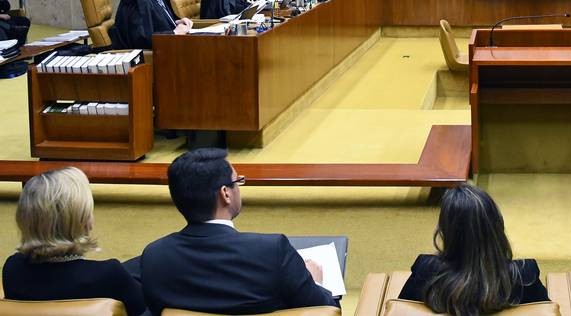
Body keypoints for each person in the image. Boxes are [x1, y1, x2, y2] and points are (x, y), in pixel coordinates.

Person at [139, 148, 336, 315]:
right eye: (238, 181)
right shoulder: (272, 251)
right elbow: (325, 309)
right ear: (225, 193)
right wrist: (315, 282)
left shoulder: (154, 257)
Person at [2, 167, 147, 316]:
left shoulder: (12, 268)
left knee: (141, 263)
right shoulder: (110, 275)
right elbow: (148, 309)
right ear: (82, 220)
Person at [399, 184, 548, 316]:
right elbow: (544, 310)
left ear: (446, 231)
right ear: (496, 226)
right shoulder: (524, 274)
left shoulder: (426, 269)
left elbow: (403, 308)